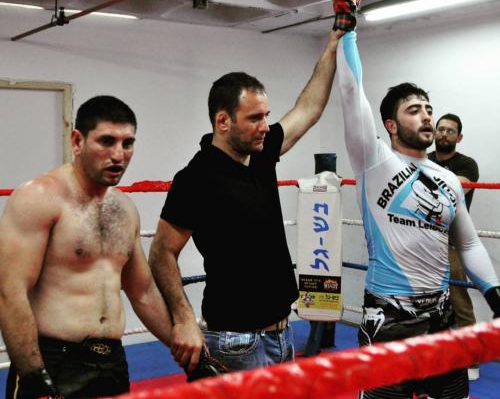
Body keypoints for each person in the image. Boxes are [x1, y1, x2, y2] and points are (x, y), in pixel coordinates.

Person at [149, 32, 342, 374]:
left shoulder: (262, 153)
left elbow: (309, 109)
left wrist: (333, 44)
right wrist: (183, 318)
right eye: (255, 118)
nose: (265, 126)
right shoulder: (197, 177)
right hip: (235, 342)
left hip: (282, 334)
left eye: (267, 116)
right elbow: (162, 252)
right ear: (223, 121)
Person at [336, 29, 500, 398]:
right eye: (414, 110)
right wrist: (347, 27)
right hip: (389, 319)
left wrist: (494, 294)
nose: (426, 116)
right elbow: (349, 92)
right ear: (390, 125)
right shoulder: (374, 161)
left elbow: (468, 243)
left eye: (428, 109)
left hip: (440, 317)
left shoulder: (448, 179)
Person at [0, 96, 173, 399]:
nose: (118, 155)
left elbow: (142, 292)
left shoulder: (124, 209)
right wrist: (34, 375)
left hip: (112, 362)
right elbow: (10, 292)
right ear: (77, 141)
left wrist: (187, 350)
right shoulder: (39, 198)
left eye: (127, 143)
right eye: (106, 141)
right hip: (53, 360)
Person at [428, 113, 480, 380]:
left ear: (459, 137)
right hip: (422, 242)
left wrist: (422, 181)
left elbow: (457, 190)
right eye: (441, 129)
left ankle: (471, 361)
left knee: (460, 301)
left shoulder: (467, 164)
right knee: (422, 299)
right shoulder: (423, 159)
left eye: (450, 131)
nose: (444, 134)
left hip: (452, 242)